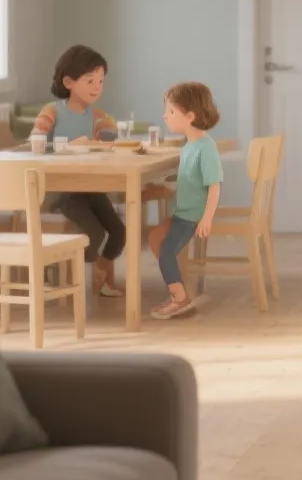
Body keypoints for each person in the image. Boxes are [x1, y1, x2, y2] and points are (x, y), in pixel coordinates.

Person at [32, 45, 125, 297]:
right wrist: (69, 148)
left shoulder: (98, 116)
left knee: (118, 231)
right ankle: (60, 267)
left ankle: (102, 277)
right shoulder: (51, 111)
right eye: (90, 80)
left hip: (91, 187)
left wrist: (108, 139)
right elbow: (36, 145)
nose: (97, 87)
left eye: (101, 81)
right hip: (62, 190)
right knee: (94, 233)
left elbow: (109, 144)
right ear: (69, 82)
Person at [146, 81, 223, 320]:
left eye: (170, 111)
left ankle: (180, 298)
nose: (164, 115)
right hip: (183, 212)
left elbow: (214, 186)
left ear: (189, 116)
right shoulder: (189, 144)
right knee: (156, 237)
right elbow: (189, 176)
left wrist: (207, 219)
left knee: (167, 251)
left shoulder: (206, 148)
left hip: (192, 217)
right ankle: (177, 286)